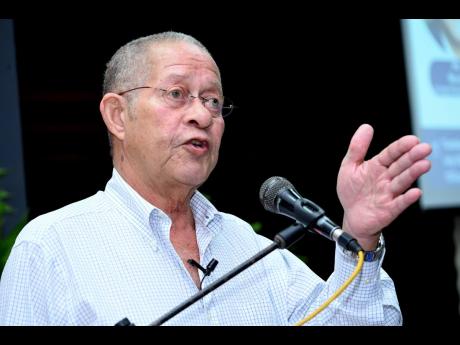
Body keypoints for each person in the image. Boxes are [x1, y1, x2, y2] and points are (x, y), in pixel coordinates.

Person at [0, 31, 432, 326]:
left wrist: (359, 236)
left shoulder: (248, 245)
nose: (201, 114)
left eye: (213, 101)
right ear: (118, 115)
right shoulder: (52, 247)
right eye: (176, 94)